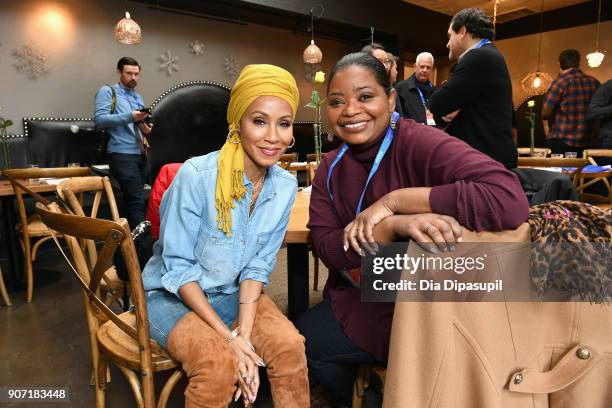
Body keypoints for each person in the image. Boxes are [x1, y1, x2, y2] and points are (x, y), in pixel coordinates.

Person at [296, 52, 529, 407]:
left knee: (306, 340)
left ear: (391, 99)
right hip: (362, 293)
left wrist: (398, 200)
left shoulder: (418, 141)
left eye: (366, 97)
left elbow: (508, 199)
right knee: (296, 341)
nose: (350, 111)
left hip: (430, 299)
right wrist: (390, 228)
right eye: (337, 101)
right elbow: (328, 249)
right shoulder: (329, 166)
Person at [141, 64, 309, 407]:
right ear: (238, 122)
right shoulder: (195, 177)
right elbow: (177, 268)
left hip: (233, 292)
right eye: (259, 121)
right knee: (218, 364)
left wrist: (244, 335)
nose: (273, 136)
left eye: (284, 123)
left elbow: (257, 268)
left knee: (290, 347)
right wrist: (230, 340)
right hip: (171, 296)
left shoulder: (285, 186)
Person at [429, 8, 517, 169]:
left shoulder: (478, 57)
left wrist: (445, 109)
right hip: (491, 157)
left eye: (450, 36)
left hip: (485, 160)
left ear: (462, 31)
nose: (447, 43)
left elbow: (436, 103)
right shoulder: (490, 55)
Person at [94, 57, 152, 228]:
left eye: (136, 74)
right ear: (119, 72)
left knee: (135, 201)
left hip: (140, 154)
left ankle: (125, 249)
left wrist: (145, 126)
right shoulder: (108, 92)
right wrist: (130, 116)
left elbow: (136, 123)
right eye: (129, 73)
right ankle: (142, 250)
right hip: (121, 154)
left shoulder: (137, 97)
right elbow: (100, 120)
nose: (133, 77)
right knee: (136, 202)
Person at [542, 49, 601, 157]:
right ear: (578, 62)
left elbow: (545, 112)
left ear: (559, 63)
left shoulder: (561, 81)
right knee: (584, 173)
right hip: (588, 142)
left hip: (562, 140)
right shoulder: (594, 82)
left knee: (560, 173)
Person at [395, 52, 438, 125]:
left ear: (432, 70)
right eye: (422, 66)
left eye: (428, 67)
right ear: (415, 67)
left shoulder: (436, 91)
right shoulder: (401, 88)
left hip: (431, 133)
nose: (425, 70)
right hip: (410, 134)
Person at [362, 42, 403, 116]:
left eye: (386, 61)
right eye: (379, 61)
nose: (385, 66)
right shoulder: (358, 86)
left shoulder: (391, 90)